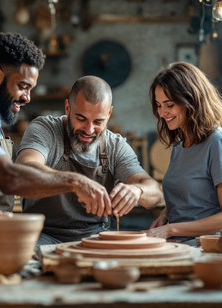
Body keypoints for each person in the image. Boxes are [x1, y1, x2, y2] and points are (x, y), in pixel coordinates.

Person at [0, 33, 115, 239]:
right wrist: (77, 182)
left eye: (30, 89)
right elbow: (9, 178)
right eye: (23, 87)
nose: (27, 97)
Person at [16, 75, 163, 246]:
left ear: (109, 113)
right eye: (81, 119)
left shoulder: (115, 145)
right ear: (67, 107)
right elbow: (24, 170)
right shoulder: (45, 129)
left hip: (94, 237)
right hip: (42, 234)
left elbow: (155, 193)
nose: (89, 130)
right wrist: (76, 182)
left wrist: (138, 190)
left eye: (98, 121)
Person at [147, 62, 222, 245]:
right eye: (159, 105)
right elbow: (190, 199)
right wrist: (165, 215)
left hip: (207, 246)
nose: (162, 113)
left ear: (191, 101)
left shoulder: (219, 143)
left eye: (169, 105)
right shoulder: (180, 145)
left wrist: (170, 229)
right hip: (177, 242)